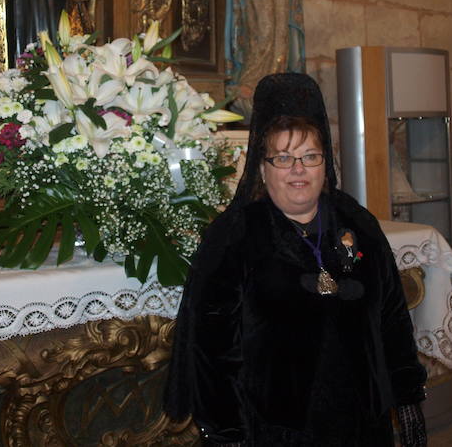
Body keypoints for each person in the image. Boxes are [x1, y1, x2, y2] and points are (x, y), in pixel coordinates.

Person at [164, 73, 427, 446]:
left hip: (363, 423)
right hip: (276, 430)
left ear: (325, 164)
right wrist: (225, 433)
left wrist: (408, 395)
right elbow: (211, 348)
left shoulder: (358, 223)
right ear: (261, 167)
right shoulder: (235, 236)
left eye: (309, 156)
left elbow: (392, 317)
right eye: (283, 158)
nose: (298, 169)